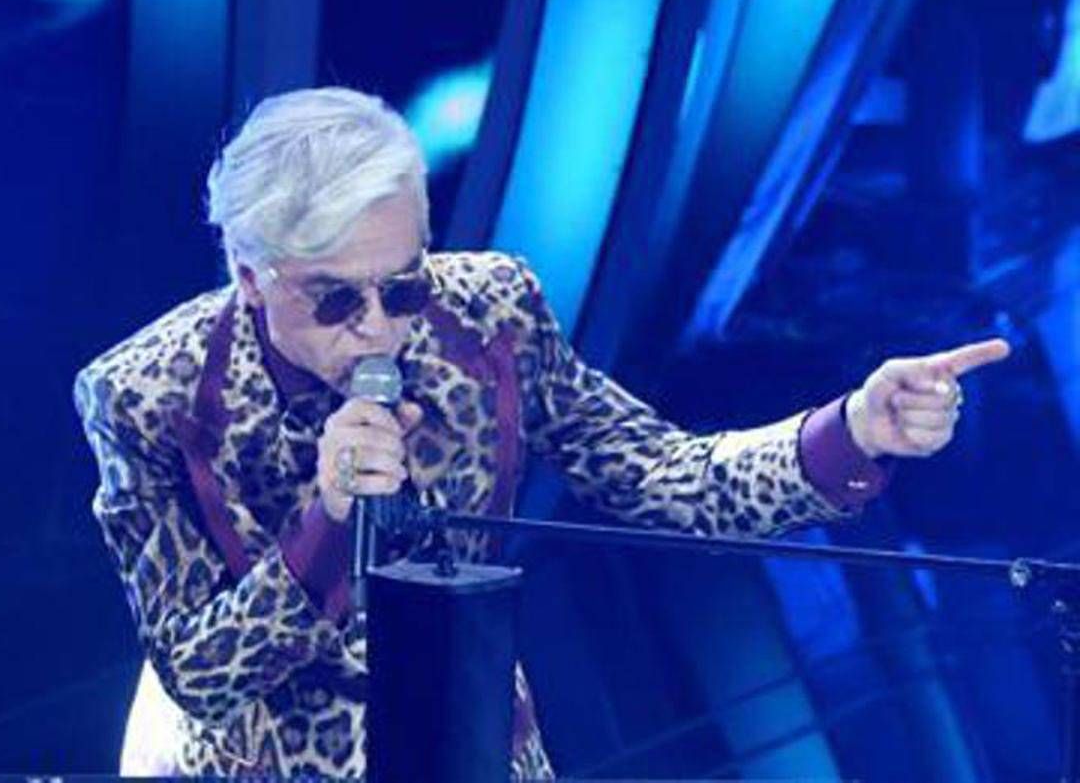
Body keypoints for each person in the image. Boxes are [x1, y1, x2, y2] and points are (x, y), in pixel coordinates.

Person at [73, 86, 1010, 779]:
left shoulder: (490, 311)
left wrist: (852, 431)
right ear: (249, 276)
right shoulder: (146, 396)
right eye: (335, 300)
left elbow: (664, 478)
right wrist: (327, 519)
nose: (379, 329)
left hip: (476, 748)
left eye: (402, 286)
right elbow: (201, 672)